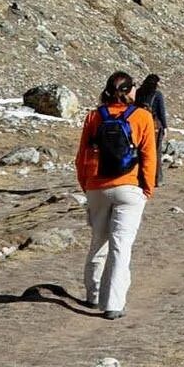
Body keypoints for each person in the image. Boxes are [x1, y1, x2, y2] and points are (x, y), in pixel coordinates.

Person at [74, 71, 158, 320]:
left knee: (98, 240)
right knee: (121, 246)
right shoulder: (142, 117)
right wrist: (148, 188)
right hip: (129, 188)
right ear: (130, 90)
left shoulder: (93, 117)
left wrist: (86, 184)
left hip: (96, 187)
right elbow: (149, 157)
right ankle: (113, 303)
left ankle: (93, 294)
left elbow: (82, 157)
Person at [134, 73, 168, 182]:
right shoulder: (157, 95)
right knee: (156, 152)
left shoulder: (138, 93)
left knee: (140, 152)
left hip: (139, 126)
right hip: (155, 126)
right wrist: (165, 127)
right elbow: (161, 112)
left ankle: (141, 178)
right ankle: (157, 179)